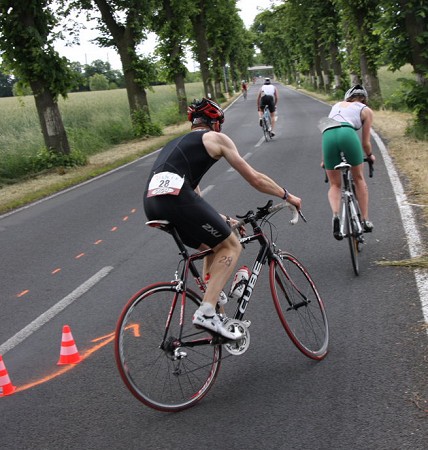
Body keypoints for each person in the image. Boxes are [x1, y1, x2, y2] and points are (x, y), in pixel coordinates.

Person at [144, 98, 302, 340]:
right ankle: (207, 312)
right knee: (231, 246)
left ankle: (216, 314)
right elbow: (255, 179)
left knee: (213, 247)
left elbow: (194, 200)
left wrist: (223, 219)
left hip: (153, 204)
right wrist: (287, 195)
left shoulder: (174, 145)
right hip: (177, 200)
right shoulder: (216, 138)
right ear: (215, 122)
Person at [321, 84, 375, 240]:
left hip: (328, 136)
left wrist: (324, 160)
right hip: (347, 133)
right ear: (364, 100)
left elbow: (326, 130)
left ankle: (336, 216)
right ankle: (365, 220)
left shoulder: (336, 105)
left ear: (347, 98)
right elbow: (366, 143)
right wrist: (370, 155)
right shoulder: (366, 110)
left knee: (335, 184)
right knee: (358, 179)